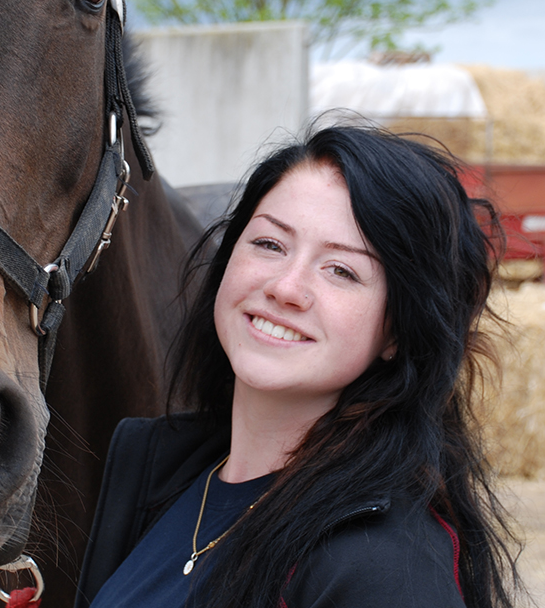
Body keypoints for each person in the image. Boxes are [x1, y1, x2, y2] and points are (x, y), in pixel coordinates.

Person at [74, 124, 522, 608]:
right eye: (270, 244)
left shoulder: (386, 569)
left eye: (342, 270)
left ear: (397, 331)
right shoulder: (164, 479)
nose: (286, 288)